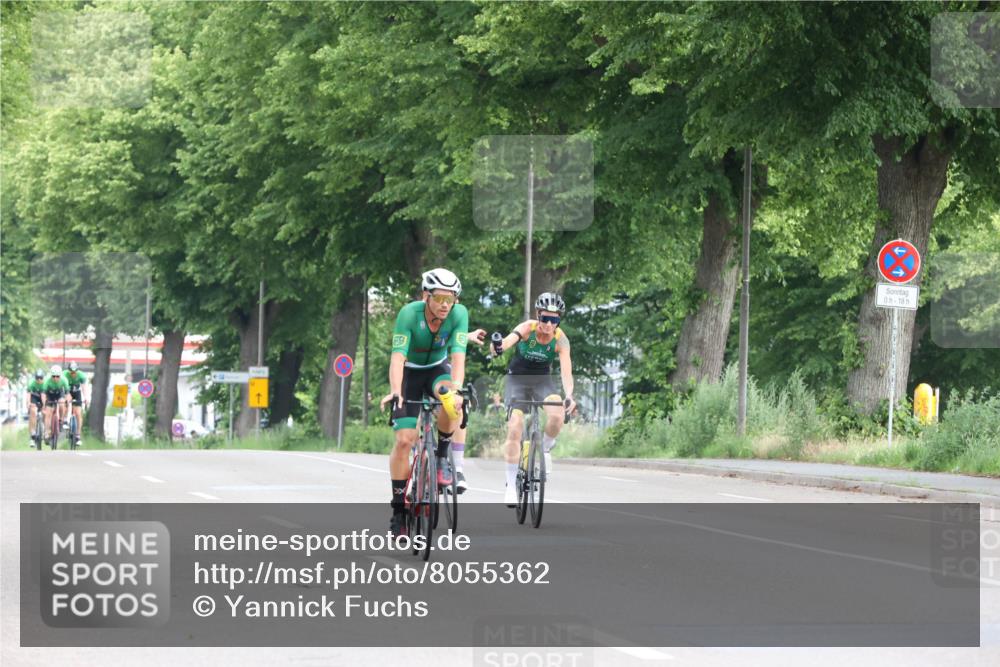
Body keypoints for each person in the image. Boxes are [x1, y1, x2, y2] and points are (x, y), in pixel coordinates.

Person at [380, 268, 469, 537]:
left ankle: (441, 457)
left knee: (452, 402)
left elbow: (458, 357)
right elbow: (397, 357)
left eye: (450, 299)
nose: (445, 305)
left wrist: (456, 389)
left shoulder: (459, 314)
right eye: (439, 298)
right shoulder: (409, 314)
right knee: (404, 440)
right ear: (425, 295)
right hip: (409, 373)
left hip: (437, 371)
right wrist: (396, 391)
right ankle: (399, 511)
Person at [491, 292, 576, 506]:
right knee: (515, 426)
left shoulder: (561, 339)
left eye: (554, 320)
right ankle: (511, 485)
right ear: (538, 315)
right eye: (545, 318)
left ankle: (545, 447)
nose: (548, 324)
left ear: (559, 320)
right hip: (517, 380)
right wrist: (498, 347)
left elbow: (566, 371)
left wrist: (569, 395)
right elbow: (508, 341)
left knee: (557, 415)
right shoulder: (527, 328)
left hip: (542, 381)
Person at [41, 365, 70, 442]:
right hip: (50, 394)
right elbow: (43, 394)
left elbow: (67, 393)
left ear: (60, 375)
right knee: (48, 413)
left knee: (62, 404)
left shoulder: (64, 380)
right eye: (53, 376)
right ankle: (46, 432)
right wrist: (44, 404)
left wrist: (67, 401)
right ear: (51, 375)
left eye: (57, 376)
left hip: (59, 393)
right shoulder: (46, 380)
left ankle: (61, 420)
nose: (55, 378)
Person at [63, 361, 87, 445]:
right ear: (69, 371)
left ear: (77, 371)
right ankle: (65, 419)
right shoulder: (64, 374)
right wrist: (67, 396)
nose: (73, 374)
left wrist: (86, 397)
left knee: (78, 414)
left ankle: (78, 435)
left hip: (77, 393)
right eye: (71, 372)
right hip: (67, 391)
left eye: (74, 372)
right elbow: (62, 386)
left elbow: (83, 388)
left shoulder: (81, 375)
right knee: (66, 402)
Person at [26, 369, 46, 447]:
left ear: (43, 378)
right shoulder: (31, 383)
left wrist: (44, 406)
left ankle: (45, 429)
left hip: (43, 397)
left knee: (46, 412)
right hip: (34, 397)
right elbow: (28, 395)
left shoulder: (45, 384)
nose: (39, 380)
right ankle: (32, 435)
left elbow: (44, 397)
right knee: (33, 411)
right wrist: (28, 403)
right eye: (37, 378)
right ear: (35, 378)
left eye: (41, 378)